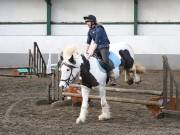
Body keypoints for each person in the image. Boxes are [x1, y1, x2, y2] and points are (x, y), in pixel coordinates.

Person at [83, 14, 116, 86]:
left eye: (88, 21)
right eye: (86, 22)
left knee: (105, 61)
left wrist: (91, 52)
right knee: (90, 59)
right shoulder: (90, 31)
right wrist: (86, 51)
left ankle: (112, 76)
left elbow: (96, 42)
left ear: (92, 22)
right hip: (97, 47)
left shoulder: (99, 29)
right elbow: (88, 42)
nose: (87, 23)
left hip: (104, 46)